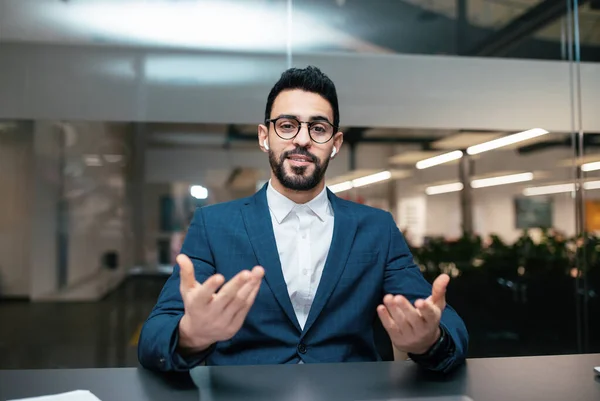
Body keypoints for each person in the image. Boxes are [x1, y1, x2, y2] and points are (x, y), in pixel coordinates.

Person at [138, 66, 468, 372]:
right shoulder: (214, 225)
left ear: (335, 144)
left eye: (318, 128)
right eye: (286, 125)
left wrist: (429, 341)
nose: (302, 139)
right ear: (264, 136)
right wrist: (191, 335)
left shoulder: (376, 227)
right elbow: (154, 336)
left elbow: (443, 323)